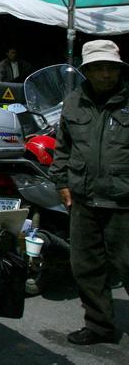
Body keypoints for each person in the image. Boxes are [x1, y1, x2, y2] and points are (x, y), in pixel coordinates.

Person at [50, 39, 129, 346]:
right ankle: (98, 326)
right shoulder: (73, 102)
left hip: (123, 201)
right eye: (99, 68)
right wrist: (62, 182)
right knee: (85, 267)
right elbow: (63, 147)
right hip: (84, 200)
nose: (106, 74)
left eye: (111, 68)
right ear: (87, 71)